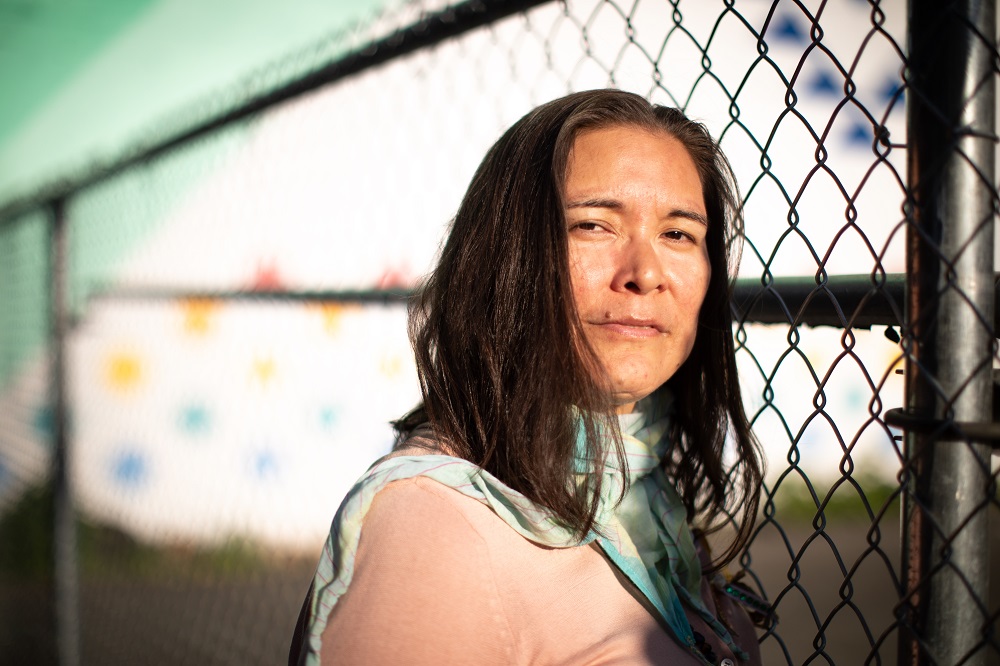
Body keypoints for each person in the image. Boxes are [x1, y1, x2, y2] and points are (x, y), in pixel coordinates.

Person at [289, 89, 767, 665]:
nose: (645, 273)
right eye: (593, 225)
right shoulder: (436, 526)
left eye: (678, 235)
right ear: (506, 257)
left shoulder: (650, 502)